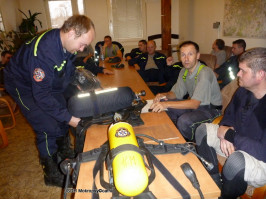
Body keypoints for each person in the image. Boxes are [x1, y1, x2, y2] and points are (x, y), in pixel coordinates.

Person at [4, 15, 96, 187]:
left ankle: (63, 153)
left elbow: (67, 70)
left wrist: (75, 86)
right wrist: (71, 119)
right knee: (46, 125)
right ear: (70, 33)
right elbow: (42, 96)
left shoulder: (67, 45)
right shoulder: (43, 54)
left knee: (62, 112)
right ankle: (51, 172)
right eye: (82, 44)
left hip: (47, 83)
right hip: (21, 85)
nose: (82, 48)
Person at [195, 48, 266, 198]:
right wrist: (224, 127)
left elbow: (262, 151)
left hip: (259, 160)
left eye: (243, 71)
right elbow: (228, 115)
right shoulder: (242, 91)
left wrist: (228, 134)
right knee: (202, 130)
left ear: (260, 74)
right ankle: (213, 181)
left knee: (235, 161)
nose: (238, 74)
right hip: (235, 142)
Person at [149, 41, 222, 141]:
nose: (186, 59)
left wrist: (167, 104)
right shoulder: (184, 71)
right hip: (196, 106)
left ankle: (190, 144)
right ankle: (174, 135)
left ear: (197, 56)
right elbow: (176, 93)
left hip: (211, 110)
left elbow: (195, 103)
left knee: (184, 121)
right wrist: (163, 95)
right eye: (183, 55)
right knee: (162, 102)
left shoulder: (205, 72)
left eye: (190, 54)